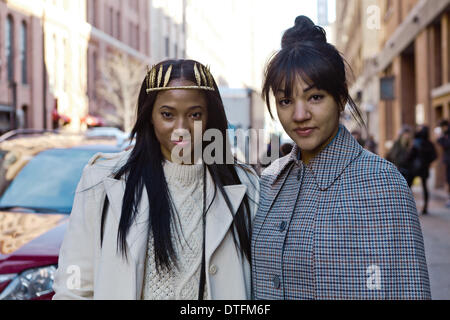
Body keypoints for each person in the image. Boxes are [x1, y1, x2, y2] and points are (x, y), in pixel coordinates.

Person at [252, 16, 430, 299]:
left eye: (315, 97)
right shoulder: (269, 181)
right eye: (286, 101)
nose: (299, 115)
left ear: (341, 97)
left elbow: (407, 290)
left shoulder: (381, 183)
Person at [53, 59, 259, 300]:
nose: (181, 128)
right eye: (167, 114)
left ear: (210, 117)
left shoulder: (245, 186)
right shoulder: (102, 180)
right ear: (149, 115)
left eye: (195, 114)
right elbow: (74, 285)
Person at [409, 126, 437, 215]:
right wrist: (427, 162)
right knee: (424, 187)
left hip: (415, 168)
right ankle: (425, 207)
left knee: (409, 186)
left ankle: (409, 207)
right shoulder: (429, 143)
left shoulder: (416, 142)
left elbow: (410, 156)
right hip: (424, 168)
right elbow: (434, 156)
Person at [436, 119, 450, 207]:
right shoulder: (445, 135)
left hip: (449, 160)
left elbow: (446, 144)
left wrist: (439, 137)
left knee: (448, 180)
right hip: (448, 161)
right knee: (448, 180)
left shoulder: (447, 135)